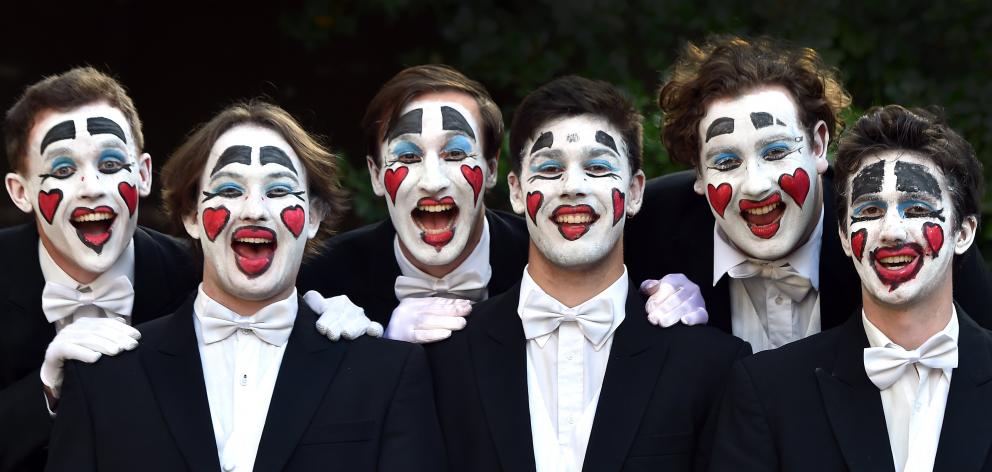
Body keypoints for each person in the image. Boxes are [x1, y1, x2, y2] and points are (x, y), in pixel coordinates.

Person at [46, 101, 446, 471]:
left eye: (277, 190)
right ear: (191, 214)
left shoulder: (386, 374)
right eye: (230, 190)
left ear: (313, 216)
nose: (254, 210)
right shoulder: (106, 378)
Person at [428, 76, 749, 471]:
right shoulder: (443, 359)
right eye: (549, 168)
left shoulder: (709, 364)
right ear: (515, 190)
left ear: (634, 192)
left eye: (597, 167)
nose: (572, 186)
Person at [625, 35, 992, 352]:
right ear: (699, 172)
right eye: (725, 161)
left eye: (775, 152)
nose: (756, 185)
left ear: (818, 145)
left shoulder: (889, 230)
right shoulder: (647, 225)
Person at [299, 64, 707, 345]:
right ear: (374, 174)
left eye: (456, 154)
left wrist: (676, 293)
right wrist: (380, 346)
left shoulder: (555, 255)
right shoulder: (323, 279)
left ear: (492, 168)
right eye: (407, 157)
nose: (434, 181)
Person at [711, 105, 992, 471]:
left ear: (963, 232)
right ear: (845, 236)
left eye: (917, 207)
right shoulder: (769, 393)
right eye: (870, 211)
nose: (891, 232)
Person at [0, 67, 197, 470]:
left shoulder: (195, 276)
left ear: (143, 175)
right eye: (63, 170)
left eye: (109, 164)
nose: (91, 187)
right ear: (21, 192)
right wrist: (45, 390)